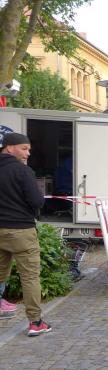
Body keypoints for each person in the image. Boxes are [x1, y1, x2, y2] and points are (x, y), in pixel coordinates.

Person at [0, 133, 51, 336]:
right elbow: (37, 201)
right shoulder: (23, 171)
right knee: (29, 277)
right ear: (9, 147)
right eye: (24, 148)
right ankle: (35, 322)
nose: (28, 153)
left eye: (28, 149)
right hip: (21, 230)